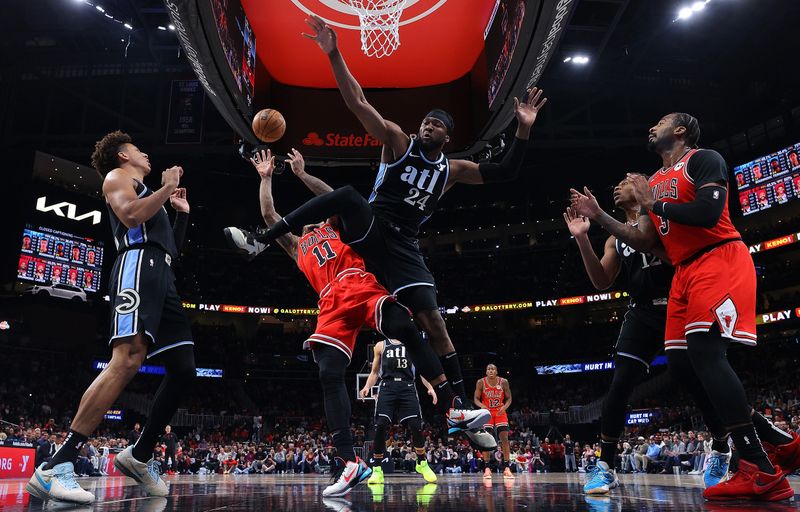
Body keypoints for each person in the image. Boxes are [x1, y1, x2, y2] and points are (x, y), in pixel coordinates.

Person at [226, 16, 546, 451]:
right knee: (349, 197)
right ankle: (261, 240)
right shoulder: (398, 141)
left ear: (447, 137)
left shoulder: (453, 170)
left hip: (402, 247)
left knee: (433, 323)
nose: (427, 126)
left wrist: (523, 128)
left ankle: (458, 412)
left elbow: (507, 171)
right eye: (426, 122)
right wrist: (334, 53)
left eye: (436, 124)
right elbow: (357, 102)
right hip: (372, 226)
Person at [570, 112, 800, 501]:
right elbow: (643, 240)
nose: (650, 127)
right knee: (681, 365)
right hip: (682, 275)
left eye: (659, 121)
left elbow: (709, 213)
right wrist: (600, 218)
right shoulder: (654, 183)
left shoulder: (702, 159)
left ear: (680, 130)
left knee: (707, 356)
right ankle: (774, 443)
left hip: (717, 257)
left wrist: (653, 205)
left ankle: (758, 466)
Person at [242, 149, 489, 497]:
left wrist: (300, 174)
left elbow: (335, 197)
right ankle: (349, 463)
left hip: (359, 283)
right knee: (328, 373)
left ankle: (453, 408)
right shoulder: (297, 245)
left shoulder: (332, 225)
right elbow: (269, 214)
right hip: (330, 302)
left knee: (405, 327)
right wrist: (266, 177)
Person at [26, 131, 195, 504]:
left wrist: (179, 215)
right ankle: (57, 464)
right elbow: (132, 217)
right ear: (122, 155)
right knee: (127, 361)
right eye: (138, 149)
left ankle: (139, 454)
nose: (145, 153)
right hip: (137, 266)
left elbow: (171, 251)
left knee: (184, 368)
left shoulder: (149, 192)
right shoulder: (117, 178)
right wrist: (166, 189)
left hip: (161, 273)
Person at [564, 175, 673, 494]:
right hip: (641, 311)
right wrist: (583, 238)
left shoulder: (661, 216)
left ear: (642, 188)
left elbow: (676, 258)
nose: (617, 185)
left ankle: (727, 449)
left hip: (678, 303)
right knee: (620, 385)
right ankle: (605, 466)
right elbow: (601, 281)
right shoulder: (614, 238)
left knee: (697, 376)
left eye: (626, 181)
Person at [359, 338, 438, 485]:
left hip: (407, 386)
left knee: (415, 424)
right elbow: (375, 372)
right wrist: (366, 387)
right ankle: (377, 469)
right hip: (387, 386)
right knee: (381, 424)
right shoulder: (380, 345)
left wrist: (430, 387)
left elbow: (421, 371)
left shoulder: (412, 344)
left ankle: (422, 462)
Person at [474, 364, 514, 480]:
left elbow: (509, 398)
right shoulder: (481, 382)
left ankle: (507, 468)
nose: (491, 371)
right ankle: (487, 468)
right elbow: (476, 398)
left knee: (504, 439)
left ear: (496, 371)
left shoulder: (503, 381)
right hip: (487, 413)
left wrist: (505, 407)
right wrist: (482, 406)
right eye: (488, 369)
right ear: (486, 372)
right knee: (486, 440)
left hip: (500, 412)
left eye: (493, 369)